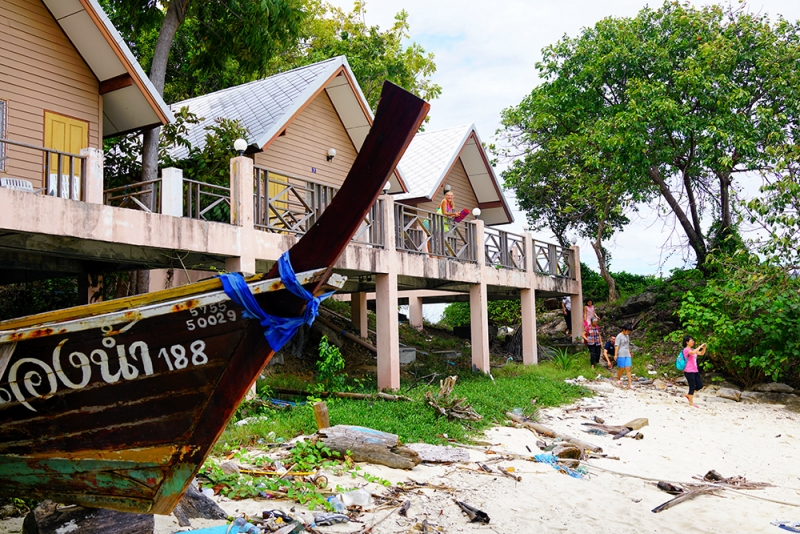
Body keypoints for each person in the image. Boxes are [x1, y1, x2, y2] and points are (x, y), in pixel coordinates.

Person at [682, 336, 707, 408]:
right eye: (691, 340)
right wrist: (700, 346)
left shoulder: (693, 349)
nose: (693, 342)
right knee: (692, 386)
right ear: (687, 342)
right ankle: (691, 403)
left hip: (695, 370)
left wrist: (704, 348)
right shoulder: (686, 350)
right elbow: (693, 352)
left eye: (693, 340)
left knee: (700, 385)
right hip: (688, 371)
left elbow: (701, 353)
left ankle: (688, 395)